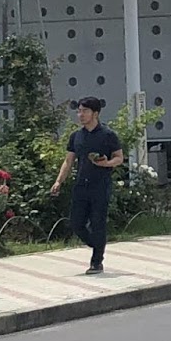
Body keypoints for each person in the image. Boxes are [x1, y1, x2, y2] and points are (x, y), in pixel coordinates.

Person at [50, 96, 124, 276]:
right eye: (79, 111)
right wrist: (59, 181)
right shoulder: (76, 136)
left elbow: (119, 158)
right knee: (76, 223)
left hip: (100, 184)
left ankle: (97, 261)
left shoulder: (108, 135)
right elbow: (68, 161)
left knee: (98, 222)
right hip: (81, 185)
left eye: (85, 111)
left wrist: (106, 163)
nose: (80, 115)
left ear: (95, 113)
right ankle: (97, 244)